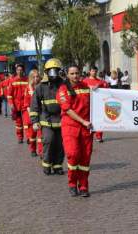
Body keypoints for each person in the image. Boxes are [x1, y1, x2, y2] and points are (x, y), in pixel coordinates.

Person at [57, 65, 93, 197]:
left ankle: (83, 186)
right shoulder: (63, 89)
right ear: (67, 75)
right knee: (73, 154)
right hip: (70, 127)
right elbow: (67, 109)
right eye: (72, 74)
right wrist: (83, 121)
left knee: (85, 157)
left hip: (86, 128)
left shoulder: (86, 87)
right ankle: (72, 183)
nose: (75, 76)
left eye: (77, 73)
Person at [30, 58, 64, 175]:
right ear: (46, 72)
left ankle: (58, 165)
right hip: (46, 121)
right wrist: (34, 121)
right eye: (51, 71)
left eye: (55, 71)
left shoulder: (64, 85)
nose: (53, 73)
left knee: (60, 144)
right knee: (48, 142)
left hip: (61, 120)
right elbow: (34, 105)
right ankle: (46, 165)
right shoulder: (41, 86)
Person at [83, 66, 108, 143]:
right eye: (93, 71)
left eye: (95, 71)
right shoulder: (84, 81)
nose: (94, 72)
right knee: (87, 120)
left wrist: (100, 85)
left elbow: (106, 86)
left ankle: (99, 136)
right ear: (89, 71)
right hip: (87, 104)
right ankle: (87, 135)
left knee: (99, 119)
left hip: (98, 104)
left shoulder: (100, 81)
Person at [23, 69, 42, 157]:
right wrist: (32, 115)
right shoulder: (27, 88)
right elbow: (26, 104)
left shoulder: (42, 87)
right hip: (30, 113)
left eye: (37, 76)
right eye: (33, 77)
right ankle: (33, 149)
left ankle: (42, 152)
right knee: (32, 134)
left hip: (41, 113)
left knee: (41, 135)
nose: (36, 79)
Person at [8, 64, 28, 143]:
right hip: (16, 106)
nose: (19, 71)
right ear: (16, 71)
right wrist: (11, 104)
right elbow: (9, 94)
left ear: (23, 71)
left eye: (21, 70)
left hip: (26, 105)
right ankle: (20, 137)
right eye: (18, 70)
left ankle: (29, 137)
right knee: (19, 123)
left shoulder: (27, 80)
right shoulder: (12, 81)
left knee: (27, 122)